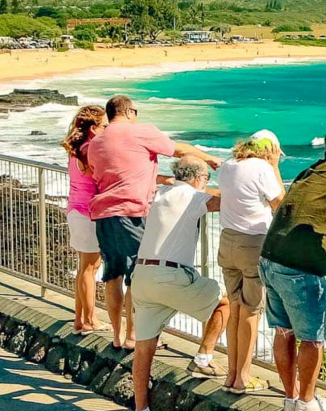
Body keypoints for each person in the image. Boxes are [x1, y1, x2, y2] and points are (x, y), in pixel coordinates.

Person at [87, 95, 221, 350]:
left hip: (104, 213)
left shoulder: (97, 142)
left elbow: (112, 172)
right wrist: (210, 158)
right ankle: (133, 336)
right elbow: (178, 149)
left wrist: (156, 179)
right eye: (135, 111)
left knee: (112, 276)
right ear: (128, 112)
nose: (136, 116)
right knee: (136, 276)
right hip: (133, 212)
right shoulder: (140, 132)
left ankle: (117, 335)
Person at [260, 122, 326, 411]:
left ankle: (291, 399)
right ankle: (307, 401)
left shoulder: (313, 170)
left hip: (271, 257)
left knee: (284, 331)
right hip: (299, 267)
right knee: (312, 338)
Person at [127, 158, 231, 411]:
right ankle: (203, 358)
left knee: (144, 348)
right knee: (225, 301)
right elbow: (224, 201)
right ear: (198, 178)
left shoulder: (160, 193)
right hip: (171, 276)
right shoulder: (193, 195)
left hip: (142, 274)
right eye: (206, 179)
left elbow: (157, 183)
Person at [216, 129, 285, 393]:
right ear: (269, 150)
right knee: (251, 311)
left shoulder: (229, 165)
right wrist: (275, 167)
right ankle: (243, 377)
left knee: (235, 307)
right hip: (253, 243)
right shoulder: (261, 168)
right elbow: (281, 205)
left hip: (228, 240)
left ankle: (231, 375)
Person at [61, 104, 107, 333]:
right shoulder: (90, 149)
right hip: (88, 213)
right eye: (105, 126)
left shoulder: (76, 147)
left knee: (84, 268)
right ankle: (90, 321)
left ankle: (80, 319)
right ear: (93, 128)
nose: (108, 131)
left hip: (76, 210)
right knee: (90, 268)